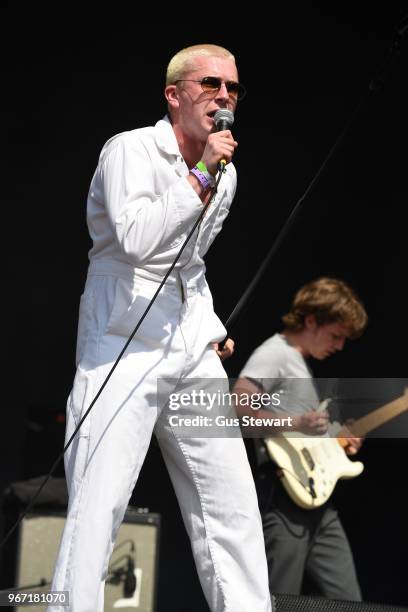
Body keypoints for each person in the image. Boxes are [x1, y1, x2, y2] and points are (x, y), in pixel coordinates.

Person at [48, 44, 272, 612]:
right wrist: (199, 175)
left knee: (232, 505)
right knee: (100, 505)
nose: (223, 97)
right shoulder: (130, 149)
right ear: (174, 96)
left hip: (188, 347)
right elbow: (139, 241)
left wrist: (206, 325)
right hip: (122, 343)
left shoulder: (227, 174)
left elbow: (188, 263)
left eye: (233, 89)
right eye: (209, 85)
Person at [233, 277, 368, 601]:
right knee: (281, 601)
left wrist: (337, 443)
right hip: (283, 499)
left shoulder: (300, 364)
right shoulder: (275, 353)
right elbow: (239, 405)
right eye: (336, 335)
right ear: (310, 320)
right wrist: (297, 423)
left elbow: (305, 438)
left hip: (318, 502)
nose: (339, 346)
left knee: (349, 601)